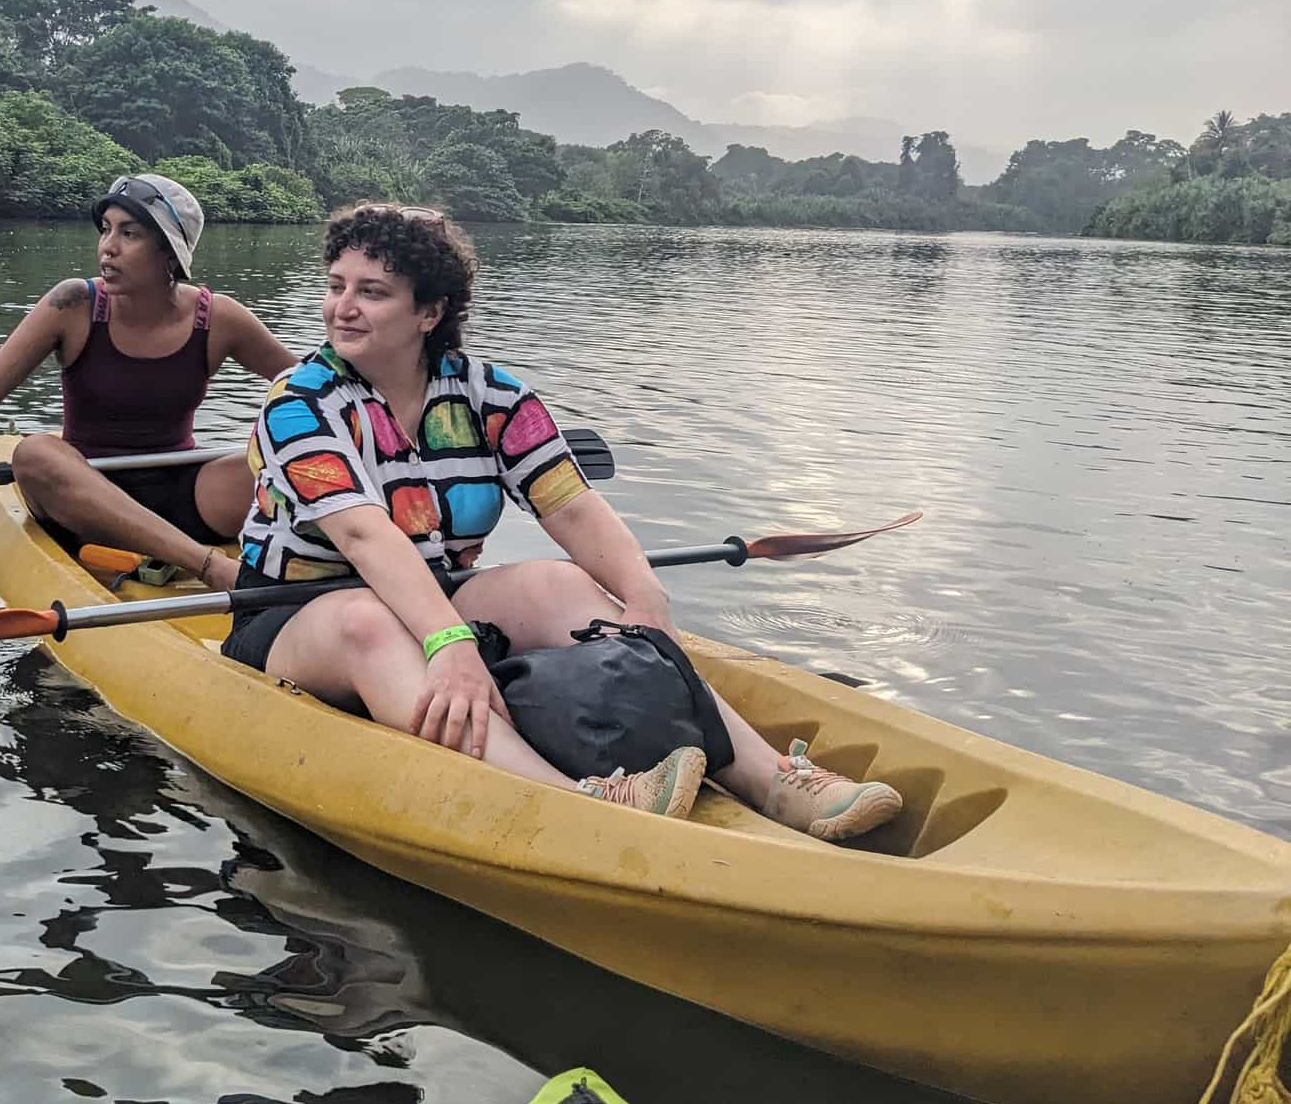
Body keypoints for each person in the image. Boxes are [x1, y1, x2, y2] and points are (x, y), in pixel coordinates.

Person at [222, 203, 903, 841]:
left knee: (555, 582)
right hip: (294, 612)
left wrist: (646, 602)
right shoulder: (298, 403)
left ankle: (770, 777)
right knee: (366, 623)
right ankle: (576, 800)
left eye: (371, 292)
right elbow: (365, 535)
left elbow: (573, 507)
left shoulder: (493, 395)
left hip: (434, 592)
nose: (341, 308)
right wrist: (451, 645)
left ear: (429, 311)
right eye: (336, 285)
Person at [0, 173, 294, 591]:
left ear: (169, 252)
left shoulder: (219, 318)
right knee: (34, 453)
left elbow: (312, 387)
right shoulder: (73, 305)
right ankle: (205, 564)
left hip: (181, 490)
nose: (108, 247)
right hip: (80, 498)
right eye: (106, 230)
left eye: (130, 234)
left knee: (274, 466)